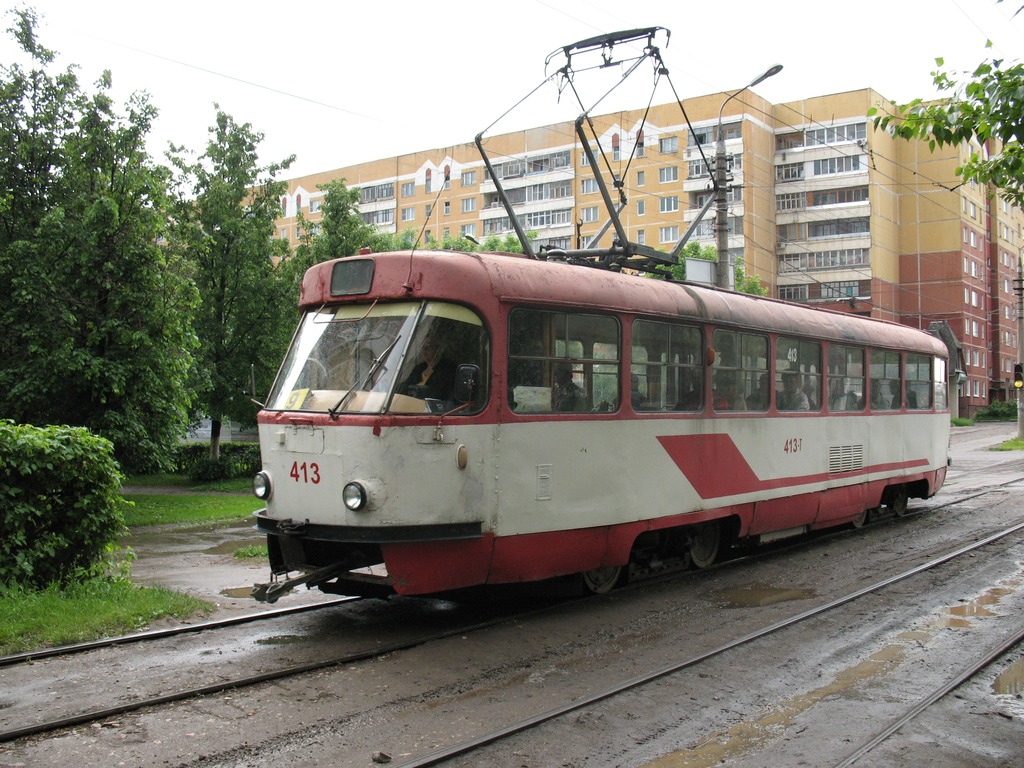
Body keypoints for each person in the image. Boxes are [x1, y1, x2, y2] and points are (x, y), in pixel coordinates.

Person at [403, 335, 456, 401]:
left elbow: (437, 393)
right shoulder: (419, 368)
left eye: (428, 346)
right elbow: (405, 388)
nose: (424, 350)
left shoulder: (448, 369)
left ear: (438, 349)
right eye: (422, 346)